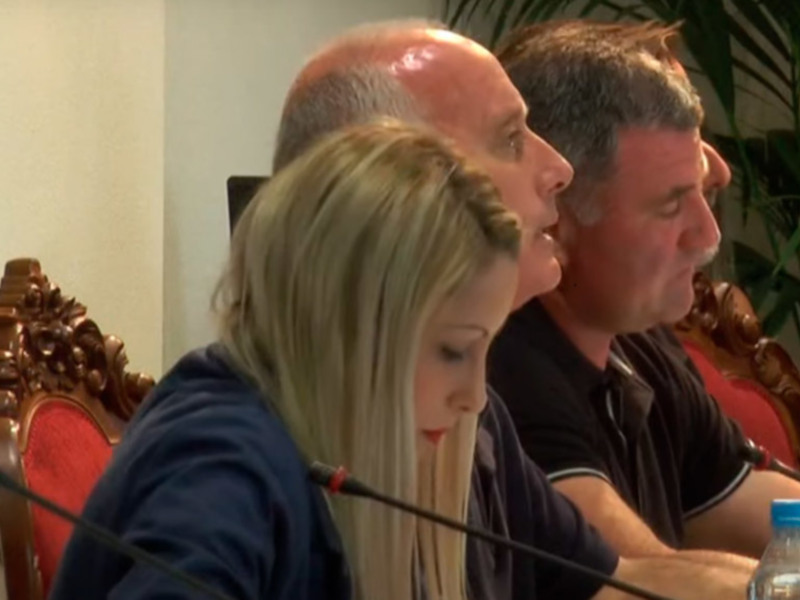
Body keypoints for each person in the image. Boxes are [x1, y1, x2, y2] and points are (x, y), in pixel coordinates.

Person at [271, 20, 752, 598]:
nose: (560, 170)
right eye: (510, 140)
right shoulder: (228, 456)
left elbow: (619, 581)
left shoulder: (478, 419)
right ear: (385, 189)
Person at [51, 120, 525, 599]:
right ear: (345, 320)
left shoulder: (320, 437)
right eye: (454, 350)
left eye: (487, 347)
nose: (476, 397)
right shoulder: (223, 465)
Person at [488, 19, 800, 561]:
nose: (708, 235)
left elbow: (759, 512)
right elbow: (637, 579)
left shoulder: (637, 341)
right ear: (555, 218)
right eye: (670, 206)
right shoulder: (504, 369)